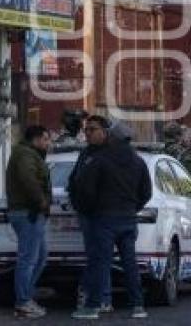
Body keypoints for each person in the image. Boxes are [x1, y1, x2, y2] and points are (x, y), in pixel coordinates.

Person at [70, 115, 152, 320]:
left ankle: (92, 306)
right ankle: (138, 306)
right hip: (128, 218)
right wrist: (133, 207)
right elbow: (146, 192)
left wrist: (88, 210)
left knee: (100, 262)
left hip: (104, 218)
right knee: (130, 263)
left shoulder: (99, 160)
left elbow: (85, 190)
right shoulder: (139, 161)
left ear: (110, 137)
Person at [5, 125, 52, 319]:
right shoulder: (26, 155)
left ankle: (26, 297)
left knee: (40, 256)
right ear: (37, 139)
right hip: (28, 213)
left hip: (30, 213)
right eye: (46, 139)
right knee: (28, 259)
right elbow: (28, 179)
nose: (48, 144)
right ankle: (23, 302)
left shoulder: (29, 154)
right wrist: (40, 201)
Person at [68, 117, 112, 314]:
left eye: (92, 130)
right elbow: (74, 180)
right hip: (88, 213)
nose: (88, 133)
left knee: (103, 256)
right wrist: (77, 201)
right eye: (86, 130)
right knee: (96, 256)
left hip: (107, 213)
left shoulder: (113, 154)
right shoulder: (85, 154)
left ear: (104, 131)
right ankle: (93, 295)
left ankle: (102, 297)